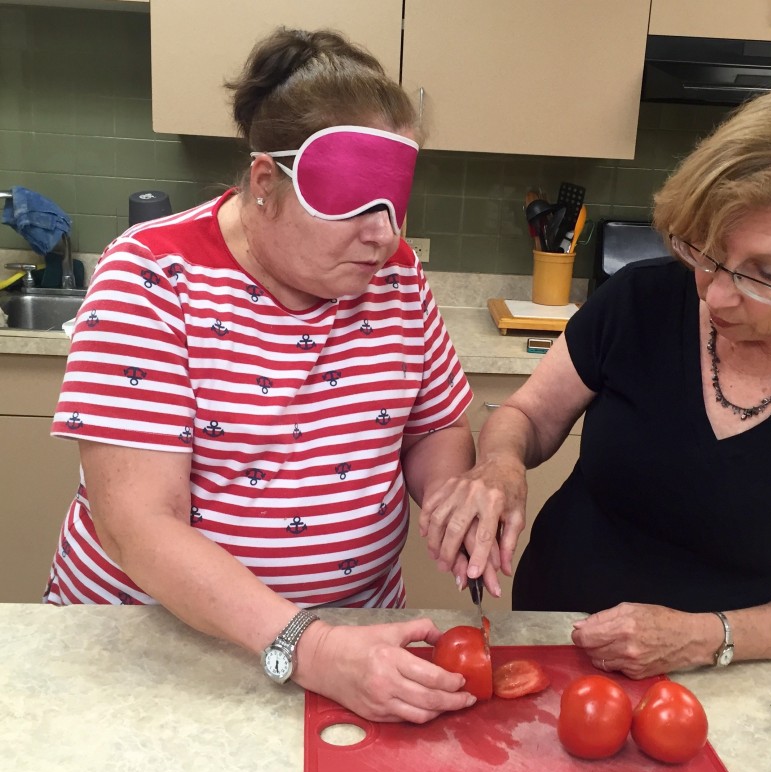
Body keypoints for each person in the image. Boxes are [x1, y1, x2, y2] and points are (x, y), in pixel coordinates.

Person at [422, 73, 771, 679]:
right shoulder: (639, 299)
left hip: (726, 673)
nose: (716, 295)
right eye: (706, 250)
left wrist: (704, 637)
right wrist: (501, 465)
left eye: (764, 273)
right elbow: (528, 415)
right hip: (559, 633)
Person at [46, 28, 480, 723]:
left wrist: (456, 498)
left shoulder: (396, 278)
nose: (385, 235)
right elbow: (138, 524)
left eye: (394, 203)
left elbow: (433, 426)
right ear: (265, 184)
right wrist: (308, 648)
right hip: (164, 654)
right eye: (354, 205)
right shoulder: (154, 277)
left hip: (356, 650)